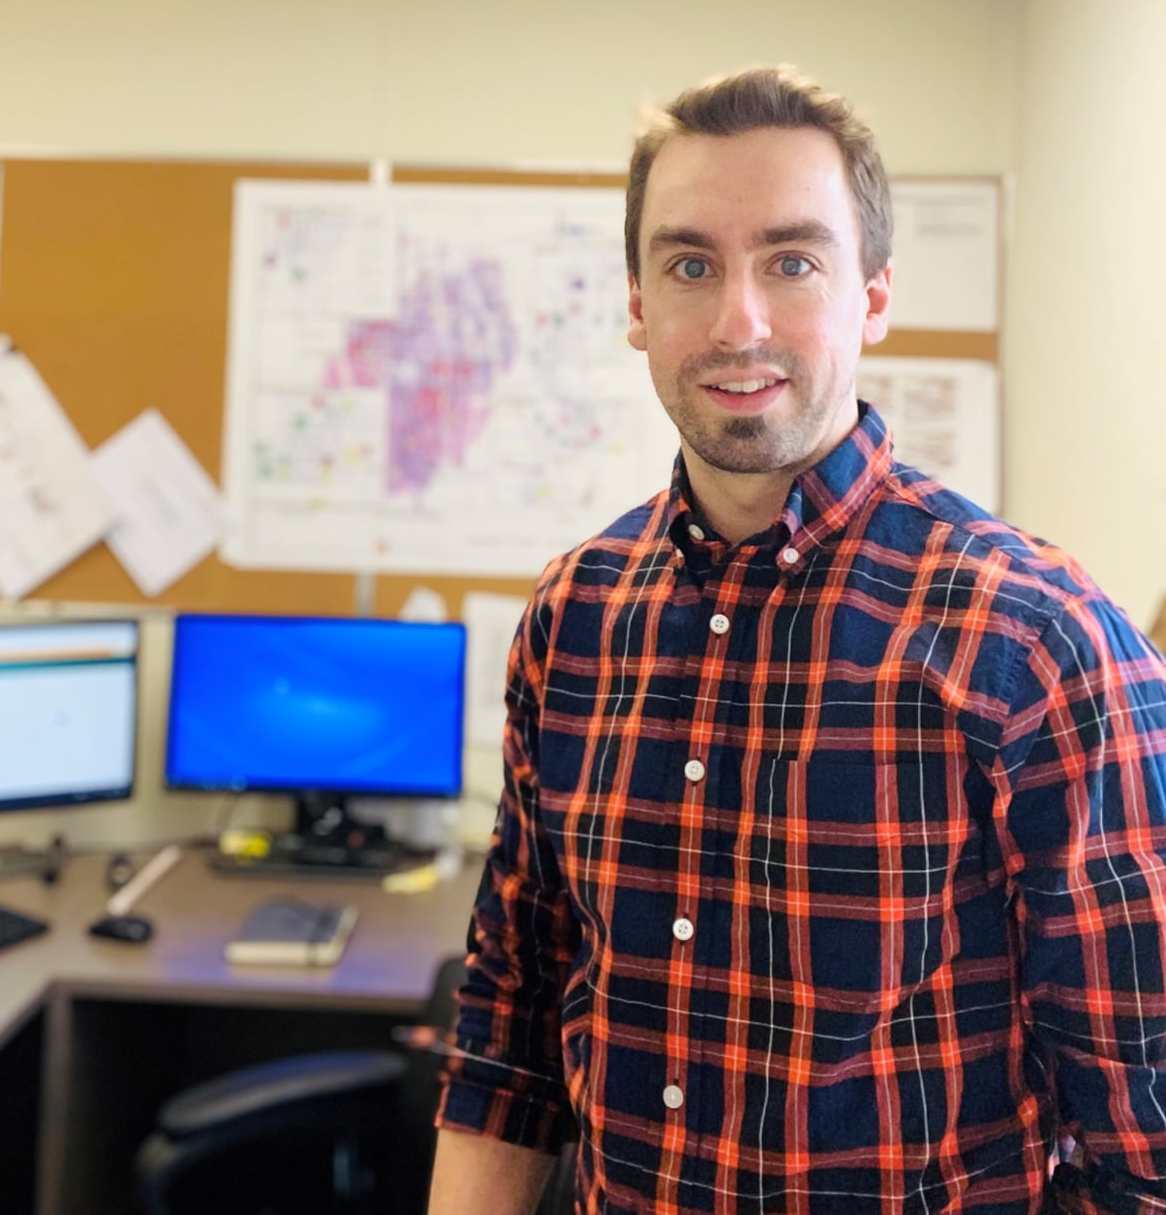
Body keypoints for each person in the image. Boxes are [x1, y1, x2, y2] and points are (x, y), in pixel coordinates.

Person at [429, 66, 1166, 1215]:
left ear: (870, 298)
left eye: (791, 261)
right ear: (636, 306)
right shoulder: (574, 616)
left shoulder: (1033, 638)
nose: (738, 322)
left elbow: (1144, 1138)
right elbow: (507, 1034)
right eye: (689, 266)